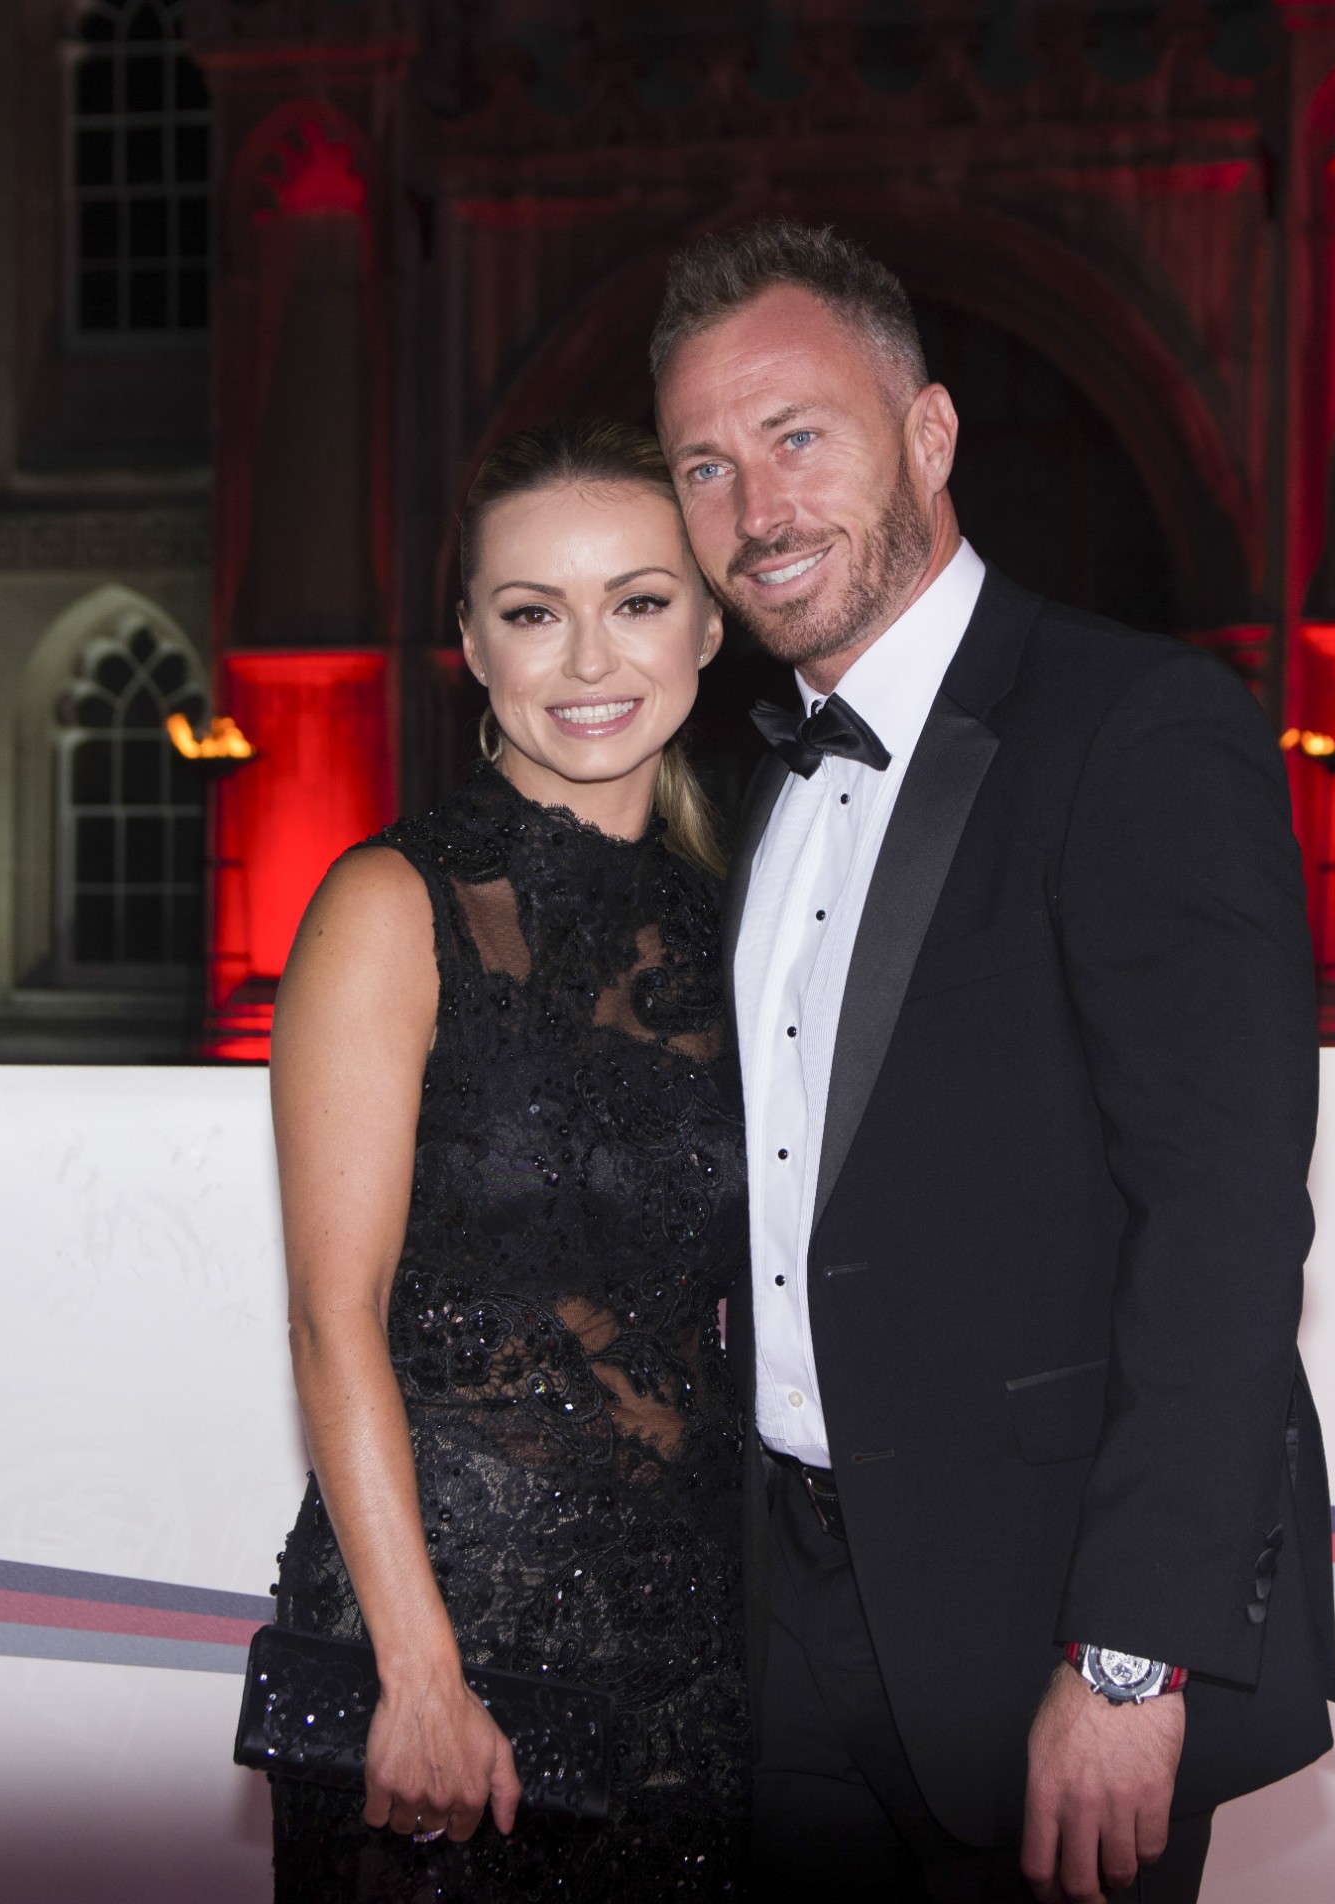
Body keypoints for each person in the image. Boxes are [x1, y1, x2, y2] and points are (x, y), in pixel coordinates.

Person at [651, 222, 1335, 1904]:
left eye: (798, 436)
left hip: (1047, 1628)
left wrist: (1130, 1658)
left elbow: (1224, 1225)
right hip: (781, 1626)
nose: (757, 509)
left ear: (932, 433)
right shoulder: (751, 789)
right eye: (706, 467)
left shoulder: (1137, 726)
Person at [266, 418, 752, 1900]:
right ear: (474, 645)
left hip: (698, 1651)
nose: (591, 658)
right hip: (450, 1635)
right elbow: (332, 1314)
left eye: (640, 601)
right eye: (536, 613)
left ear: (711, 623)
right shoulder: (390, 904)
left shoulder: (742, 921)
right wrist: (419, 1670)